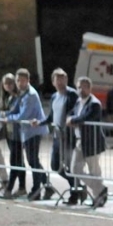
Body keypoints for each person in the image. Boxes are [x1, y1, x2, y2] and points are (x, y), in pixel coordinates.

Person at [34, 68, 79, 201]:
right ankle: (77, 186)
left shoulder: (72, 95)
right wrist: (40, 122)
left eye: (62, 79)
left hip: (69, 136)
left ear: (66, 80)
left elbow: (74, 112)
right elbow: (51, 117)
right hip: (57, 137)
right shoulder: (54, 96)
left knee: (70, 166)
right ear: (53, 82)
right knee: (55, 166)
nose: (60, 82)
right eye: (57, 79)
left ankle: (75, 193)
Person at [7, 69, 50, 201]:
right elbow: (15, 109)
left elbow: (23, 115)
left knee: (33, 161)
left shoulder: (30, 95)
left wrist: (9, 118)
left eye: (23, 80)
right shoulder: (23, 94)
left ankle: (36, 190)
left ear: (28, 80)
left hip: (34, 132)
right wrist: (6, 114)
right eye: (18, 80)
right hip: (27, 132)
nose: (20, 83)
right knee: (34, 161)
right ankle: (47, 187)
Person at [67, 77, 108, 208]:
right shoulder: (78, 101)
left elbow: (87, 117)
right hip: (80, 141)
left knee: (94, 170)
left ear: (90, 88)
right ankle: (101, 189)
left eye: (84, 87)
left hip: (92, 141)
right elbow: (71, 113)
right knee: (74, 168)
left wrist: (73, 121)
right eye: (79, 87)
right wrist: (71, 119)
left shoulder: (95, 103)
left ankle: (99, 197)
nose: (81, 89)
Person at [0, 73, 25, 198]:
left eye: (10, 83)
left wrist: (4, 114)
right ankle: (22, 187)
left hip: (18, 133)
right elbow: (0, 112)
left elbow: (15, 112)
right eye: (5, 83)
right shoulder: (6, 98)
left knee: (15, 160)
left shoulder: (18, 97)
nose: (8, 86)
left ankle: (10, 188)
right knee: (18, 161)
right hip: (9, 133)